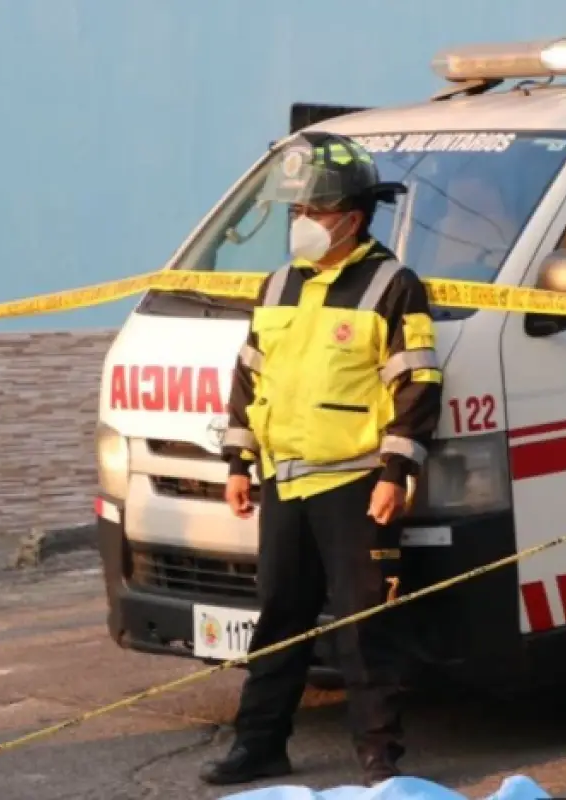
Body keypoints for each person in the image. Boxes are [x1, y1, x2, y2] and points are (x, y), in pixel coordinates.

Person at [201, 131, 443, 787]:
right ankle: (259, 744)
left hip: (357, 483)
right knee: (280, 616)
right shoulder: (278, 284)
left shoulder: (393, 285)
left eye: (311, 212)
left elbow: (418, 385)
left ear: (351, 219)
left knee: (365, 625)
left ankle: (378, 756)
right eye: (295, 212)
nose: (299, 224)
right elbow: (249, 379)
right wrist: (237, 464)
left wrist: (396, 473)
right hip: (284, 481)